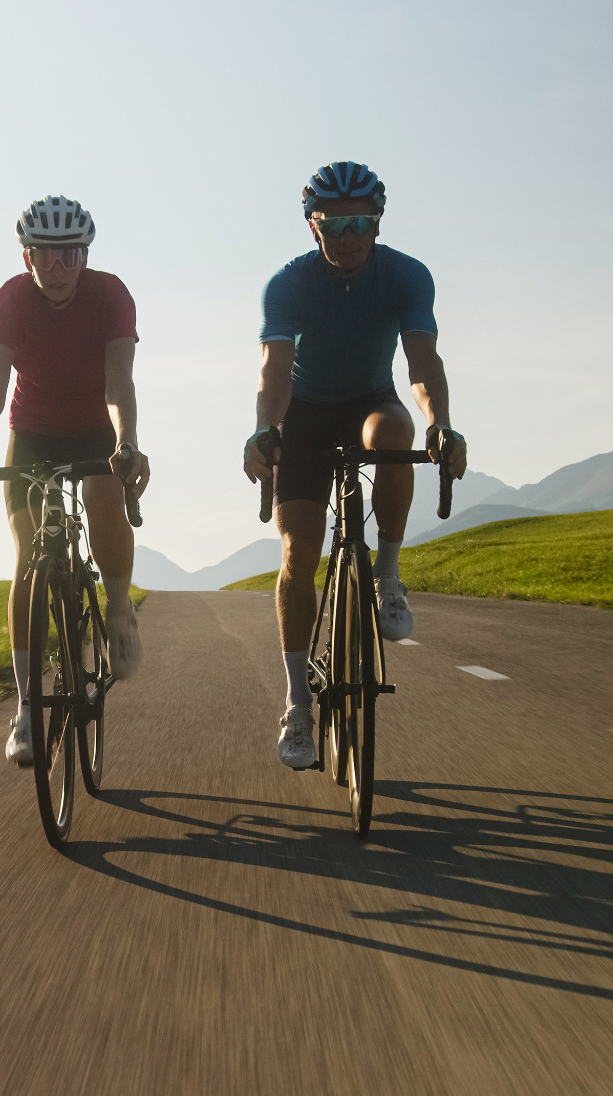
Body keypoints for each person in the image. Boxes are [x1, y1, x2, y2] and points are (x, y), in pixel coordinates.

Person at [242, 162, 468, 770]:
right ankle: (296, 706)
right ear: (314, 228)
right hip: (306, 413)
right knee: (298, 557)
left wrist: (439, 424)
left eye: (362, 223)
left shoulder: (405, 276)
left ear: (377, 223)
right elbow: (273, 370)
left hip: (371, 402)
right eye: (335, 224)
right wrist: (266, 431)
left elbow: (422, 363)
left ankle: (387, 578)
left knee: (396, 433)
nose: (349, 236)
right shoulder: (288, 284)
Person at [0, 196, 151, 766]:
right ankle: (28, 708)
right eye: (45, 256)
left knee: (105, 493)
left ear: (85, 256)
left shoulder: (110, 295)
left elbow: (118, 381)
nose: (58, 267)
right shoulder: (11, 299)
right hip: (31, 431)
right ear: (26, 256)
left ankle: (116, 608)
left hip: (93, 427)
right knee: (28, 563)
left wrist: (126, 442)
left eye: (70, 255)